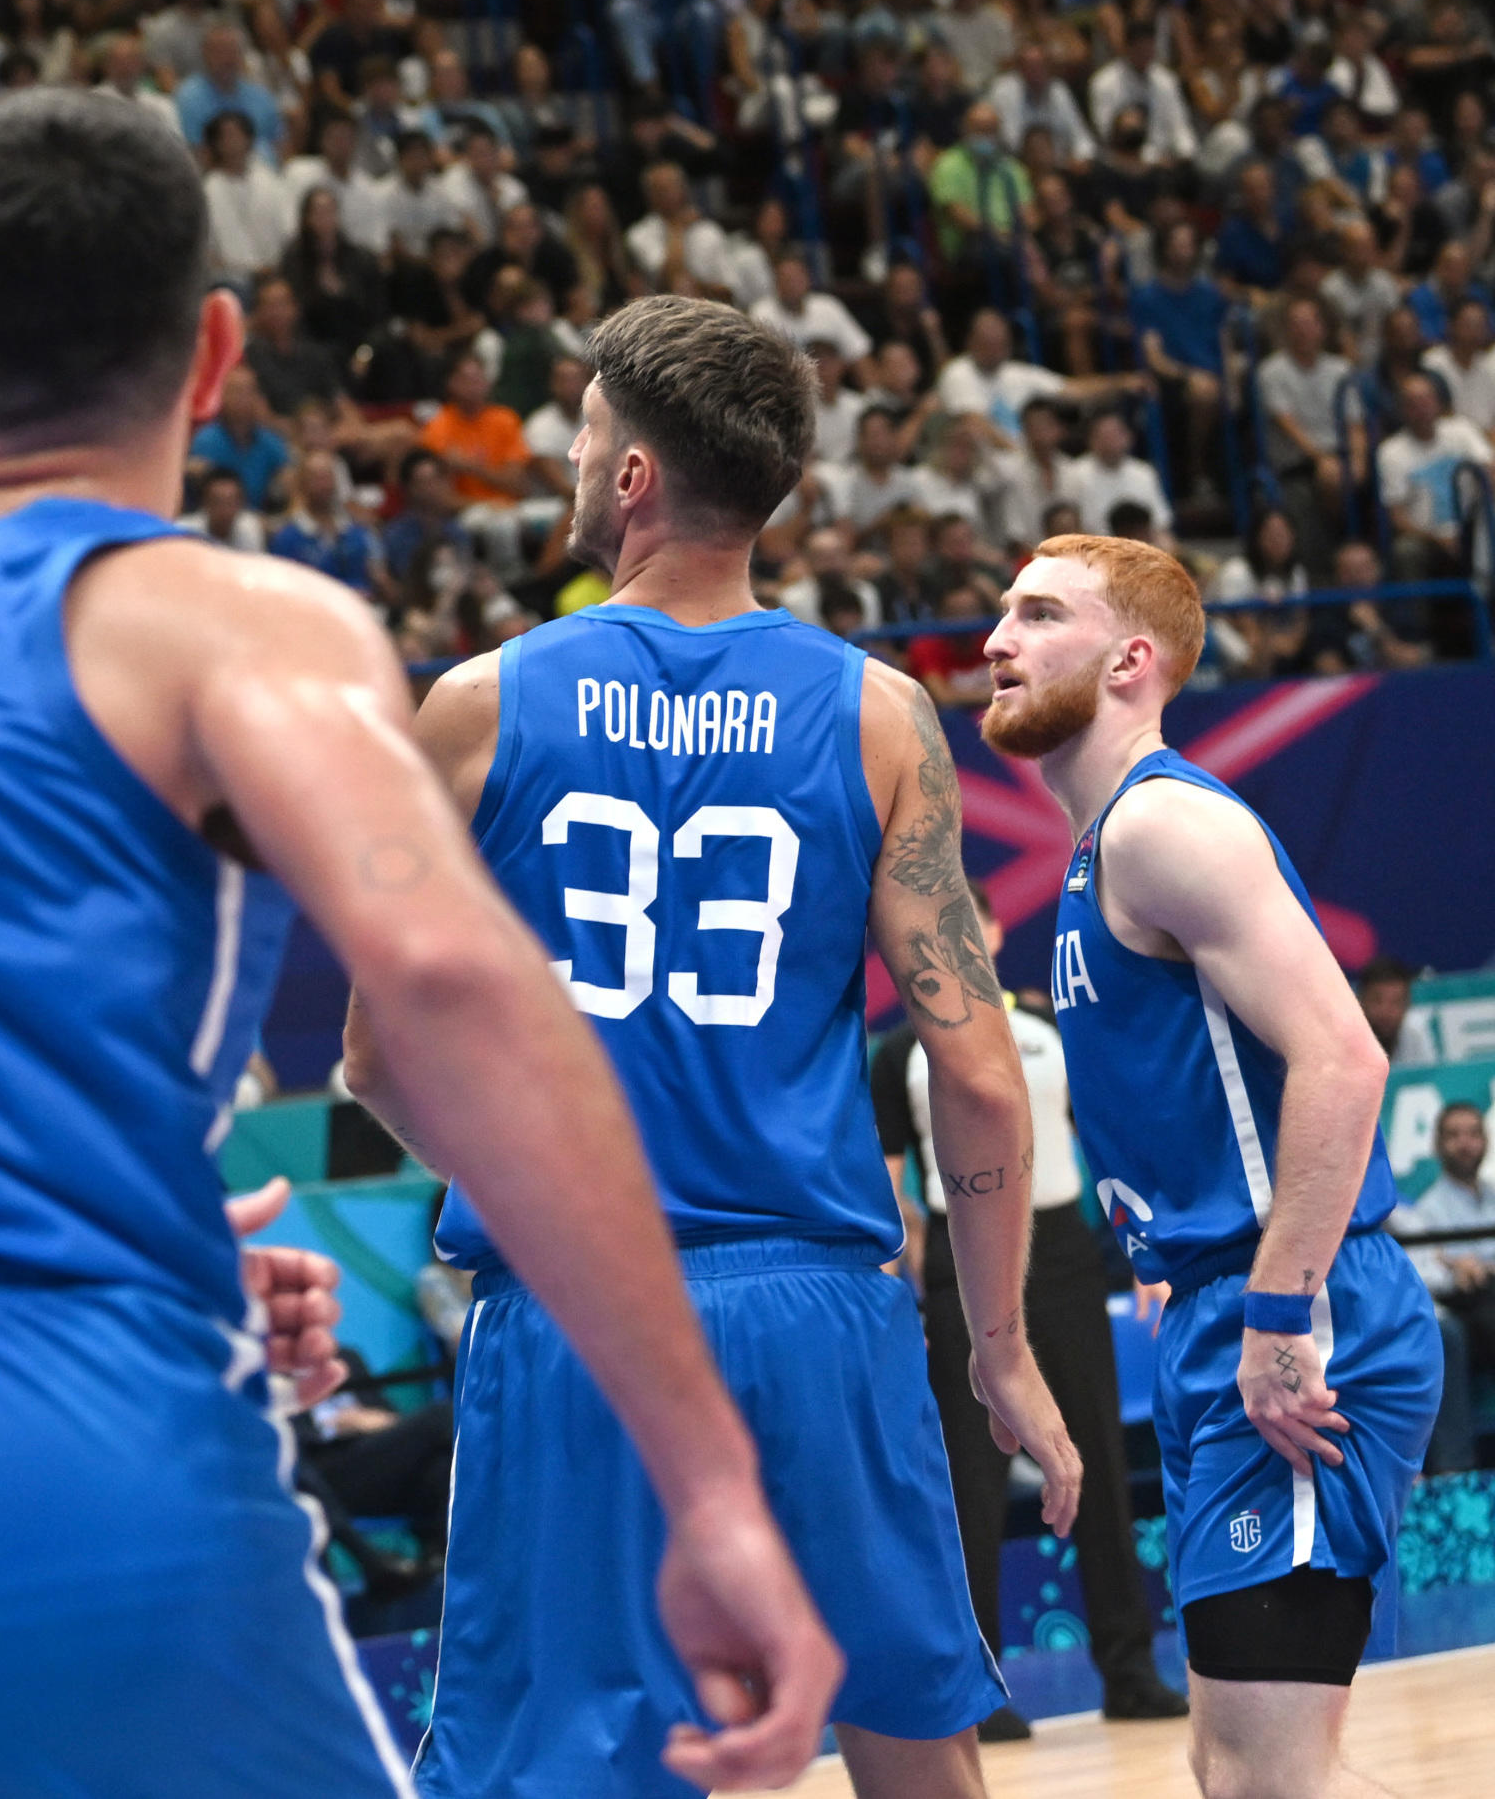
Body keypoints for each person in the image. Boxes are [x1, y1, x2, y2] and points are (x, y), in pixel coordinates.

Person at [0, 91, 839, 1797]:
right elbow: (448, 984)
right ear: (214, 356)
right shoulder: (226, 618)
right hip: (34, 1450)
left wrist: (149, 1225)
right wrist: (710, 1482)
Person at [372, 293, 1081, 1799]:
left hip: (582, 1318)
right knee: (917, 1752)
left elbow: (380, 1058)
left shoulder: (477, 705)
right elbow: (975, 1070)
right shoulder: (882, 714)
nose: (573, 463)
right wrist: (1001, 1346)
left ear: (633, 475)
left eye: (584, 438)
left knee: (562, 1770)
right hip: (820, 1318)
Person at [983, 536, 1444, 1799]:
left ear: (1132, 660)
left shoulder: (1163, 824)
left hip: (1297, 1317)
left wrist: (1280, 1312)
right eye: (1004, 613)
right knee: (1235, 1762)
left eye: (1040, 614)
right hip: (1220, 1310)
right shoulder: (1100, 851)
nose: (998, 640)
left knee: (1262, 1775)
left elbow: (1345, 1061)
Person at [873, 977, 1184, 1728]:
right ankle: (981, 1689)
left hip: (1065, 1253)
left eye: (976, 925)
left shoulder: (1050, 1029)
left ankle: (1130, 1671)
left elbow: (1105, 1136)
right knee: (971, 1477)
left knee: (1096, 1455)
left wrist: (1147, 1251)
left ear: (992, 932)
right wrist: (894, 1292)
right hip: (961, 1260)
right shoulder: (901, 1050)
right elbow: (888, 1182)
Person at [1393, 1100, 1493, 1476]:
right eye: (1454, 1135)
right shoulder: (1428, 1210)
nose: (1465, 1143)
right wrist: (1457, 1268)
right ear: (1437, 1145)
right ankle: (1455, 1473)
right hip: (1467, 1309)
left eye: (1473, 1134)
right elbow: (1433, 1271)